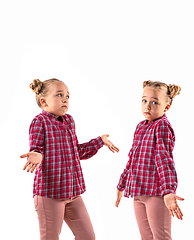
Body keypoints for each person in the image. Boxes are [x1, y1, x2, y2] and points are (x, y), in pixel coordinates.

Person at [20, 78, 119, 240]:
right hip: (49, 194)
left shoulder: (69, 121)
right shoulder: (40, 122)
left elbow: (76, 152)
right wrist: (36, 154)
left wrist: (100, 141)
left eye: (67, 96)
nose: (65, 99)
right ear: (44, 101)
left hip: (72, 192)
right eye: (59, 95)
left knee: (87, 236)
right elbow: (37, 148)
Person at [115, 80, 184, 240]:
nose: (147, 106)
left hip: (156, 193)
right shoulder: (140, 127)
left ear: (166, 107)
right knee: (146, 237)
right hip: (138, 192)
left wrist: (168, 191)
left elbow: (164, 159)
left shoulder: (162, 127)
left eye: (154, 102)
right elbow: (133, 159)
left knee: (161, 237)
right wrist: (122, 184)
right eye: (144, 100)